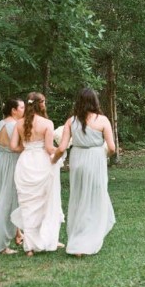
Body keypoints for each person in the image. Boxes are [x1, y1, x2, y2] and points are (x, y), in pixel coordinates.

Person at [52, 88, 116, 257]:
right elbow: (112, 148)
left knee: (79, 196)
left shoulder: (71, 121)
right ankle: (88, 238)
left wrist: (52, 161)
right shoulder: (102, 120)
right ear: (95, 101)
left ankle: (77, 239)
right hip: (96, 159)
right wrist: (104, 155)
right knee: (95, 195)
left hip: (78, 158)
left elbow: (63, 146)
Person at [9, 92, 64, 256]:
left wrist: (27, 148)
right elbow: (48, 148)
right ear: (42, 104)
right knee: (44, 203)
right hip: (42, 163)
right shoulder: (47, 123)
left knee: (28, 205)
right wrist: (62, 149)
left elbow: (13, 147)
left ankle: (29, 247)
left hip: (25, 164)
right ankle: (45, 239)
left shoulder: (19, 123)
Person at [0, 98, 25, 254]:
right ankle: (1, 246)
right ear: (13, 110)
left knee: (4, 200)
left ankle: (18, 233)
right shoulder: (15, 126)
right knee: (8, 203)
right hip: (14, 163)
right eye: (21, 107)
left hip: (1, 162)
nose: (24, 110)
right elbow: (21, 148)